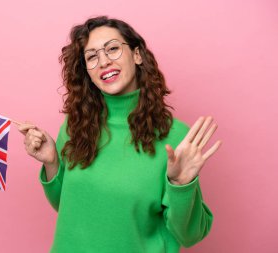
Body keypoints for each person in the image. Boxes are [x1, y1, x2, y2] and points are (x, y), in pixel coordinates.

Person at [17, 16, 222, 253]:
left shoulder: (177, 137)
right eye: (92, 57)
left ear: (137, 55)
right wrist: (52, 163)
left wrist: (181, 186)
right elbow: (69, 207)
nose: (103, 61)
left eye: (112, 49)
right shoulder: (75, 125)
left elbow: (190, 235)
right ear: (87, 71)